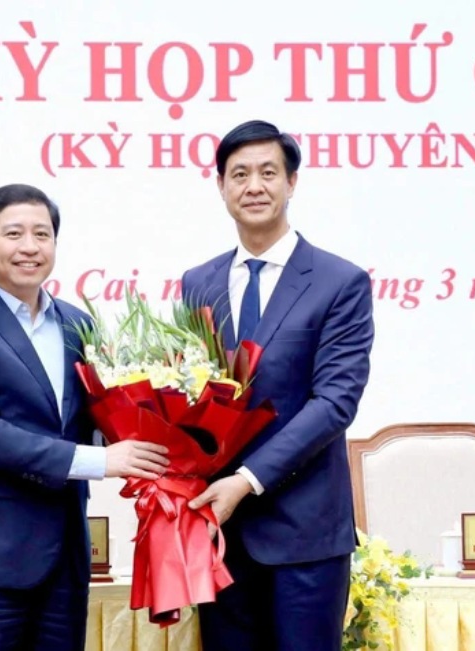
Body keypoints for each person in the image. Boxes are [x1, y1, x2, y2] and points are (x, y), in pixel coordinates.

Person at [0, 183, 169, 651]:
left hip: (64, 561)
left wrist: (164, 431)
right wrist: (101, 461)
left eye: (42, 234)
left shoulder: (78, 323)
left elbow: (93, 420)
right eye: (14, 233)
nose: (30, 247)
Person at [183, 120, 374, 651]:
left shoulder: (339, 282)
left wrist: (246, 481)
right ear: (221, 186)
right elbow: (191, 397)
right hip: (219, 531)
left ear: (292, 182)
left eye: (268, 173)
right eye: (239, 174)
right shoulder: (198, 283)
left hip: (304, 533)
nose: (254, 186)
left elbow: (334, 403)